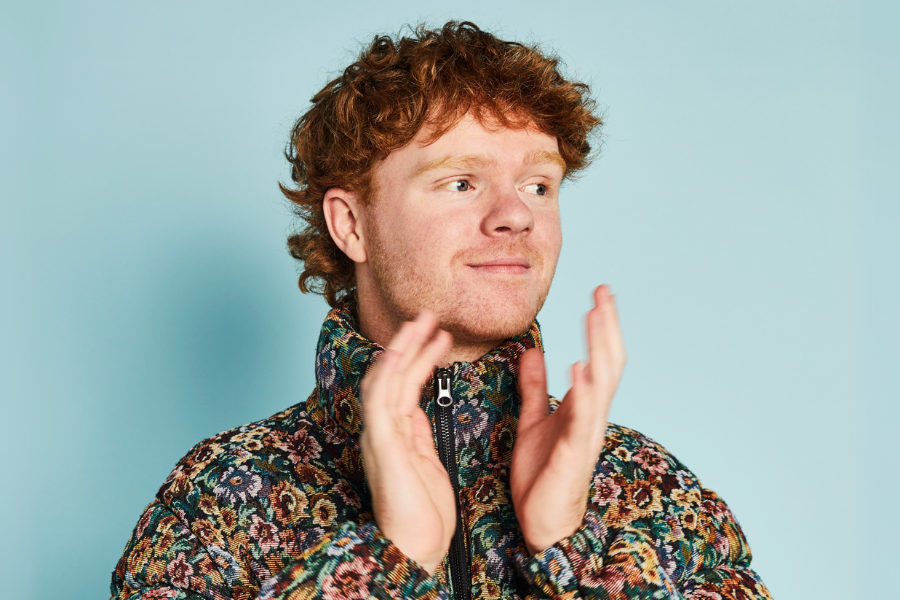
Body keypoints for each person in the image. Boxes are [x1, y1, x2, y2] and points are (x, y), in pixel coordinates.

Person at [110, 21, 772, 600]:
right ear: (351, 225)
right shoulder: (221, 495)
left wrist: (573, 556)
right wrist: (390, 561)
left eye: (538, 185)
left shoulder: (647, 490)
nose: (516, 215)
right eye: (461, 182)